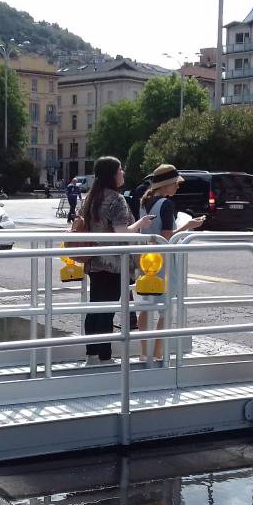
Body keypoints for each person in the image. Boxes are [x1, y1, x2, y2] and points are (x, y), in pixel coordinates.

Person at [76, 156, 153, 366]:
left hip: (93, 260)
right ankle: (105, 357)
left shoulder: (92, 198)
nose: (123, 174)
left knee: (95, 308)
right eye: (120, 170)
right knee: (107, 310)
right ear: (112, 174)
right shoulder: (116, 199)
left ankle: (91, 354)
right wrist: (141, 223)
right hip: (113, 263)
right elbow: (122, 232)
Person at [137, 164, 204, 365]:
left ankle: (143, 351)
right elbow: (166, 237)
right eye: (175, 184)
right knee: (166, 309)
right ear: (166, 185)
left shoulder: (144, 201)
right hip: (163, 260)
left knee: (145, 305)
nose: (177, 187)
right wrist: (188, 226)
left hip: (145, 258)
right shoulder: (166, 204)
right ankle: (157, 352)